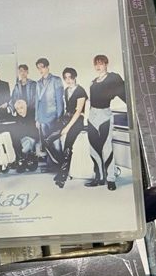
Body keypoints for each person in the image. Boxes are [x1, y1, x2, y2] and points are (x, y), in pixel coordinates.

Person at [85, 55, 127, 190]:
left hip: (104, 115)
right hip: (92, 116)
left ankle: (111, 179)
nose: (98, 66)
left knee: (106, 148)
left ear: (106, 64)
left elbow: (125, 93)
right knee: (93, 149)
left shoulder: (113, 78)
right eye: (96, 64)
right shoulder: (93, 82)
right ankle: (99, 178)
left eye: (101, 63)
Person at [43, 67, 88, 189]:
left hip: (77, 120)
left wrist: (67, 128)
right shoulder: (66, 90)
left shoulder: (81, 91)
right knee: (46, 140)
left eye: (70, 77)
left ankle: (62, 176)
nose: (68, 80)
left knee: (68, 147)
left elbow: (78, 111)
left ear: (75, 77)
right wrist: (62, 124)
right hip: (66, 118)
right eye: (66, 78)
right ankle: (62, 166)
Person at [34, 58, 65, 166]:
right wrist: (37, 118)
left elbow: (60, 101)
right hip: (42, 117)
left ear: (48, 67)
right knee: (46, 143)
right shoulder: (38, 83)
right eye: (38, 68)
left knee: (56, 142)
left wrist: (59, 118)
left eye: (42, 67)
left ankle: (61, 166)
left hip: (53, 116)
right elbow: (37, 102)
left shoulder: (56, 80)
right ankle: (51, 165)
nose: (40, 70)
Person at [9, 99, 39, 171]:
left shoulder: (33, 113)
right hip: (24, 138)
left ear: (26, 106)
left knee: (24, 145)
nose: (20, 110)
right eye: (17, 109)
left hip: (34, 138)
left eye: (21, 107)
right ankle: (20, 161)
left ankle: (23, 160)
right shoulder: (18, 117)